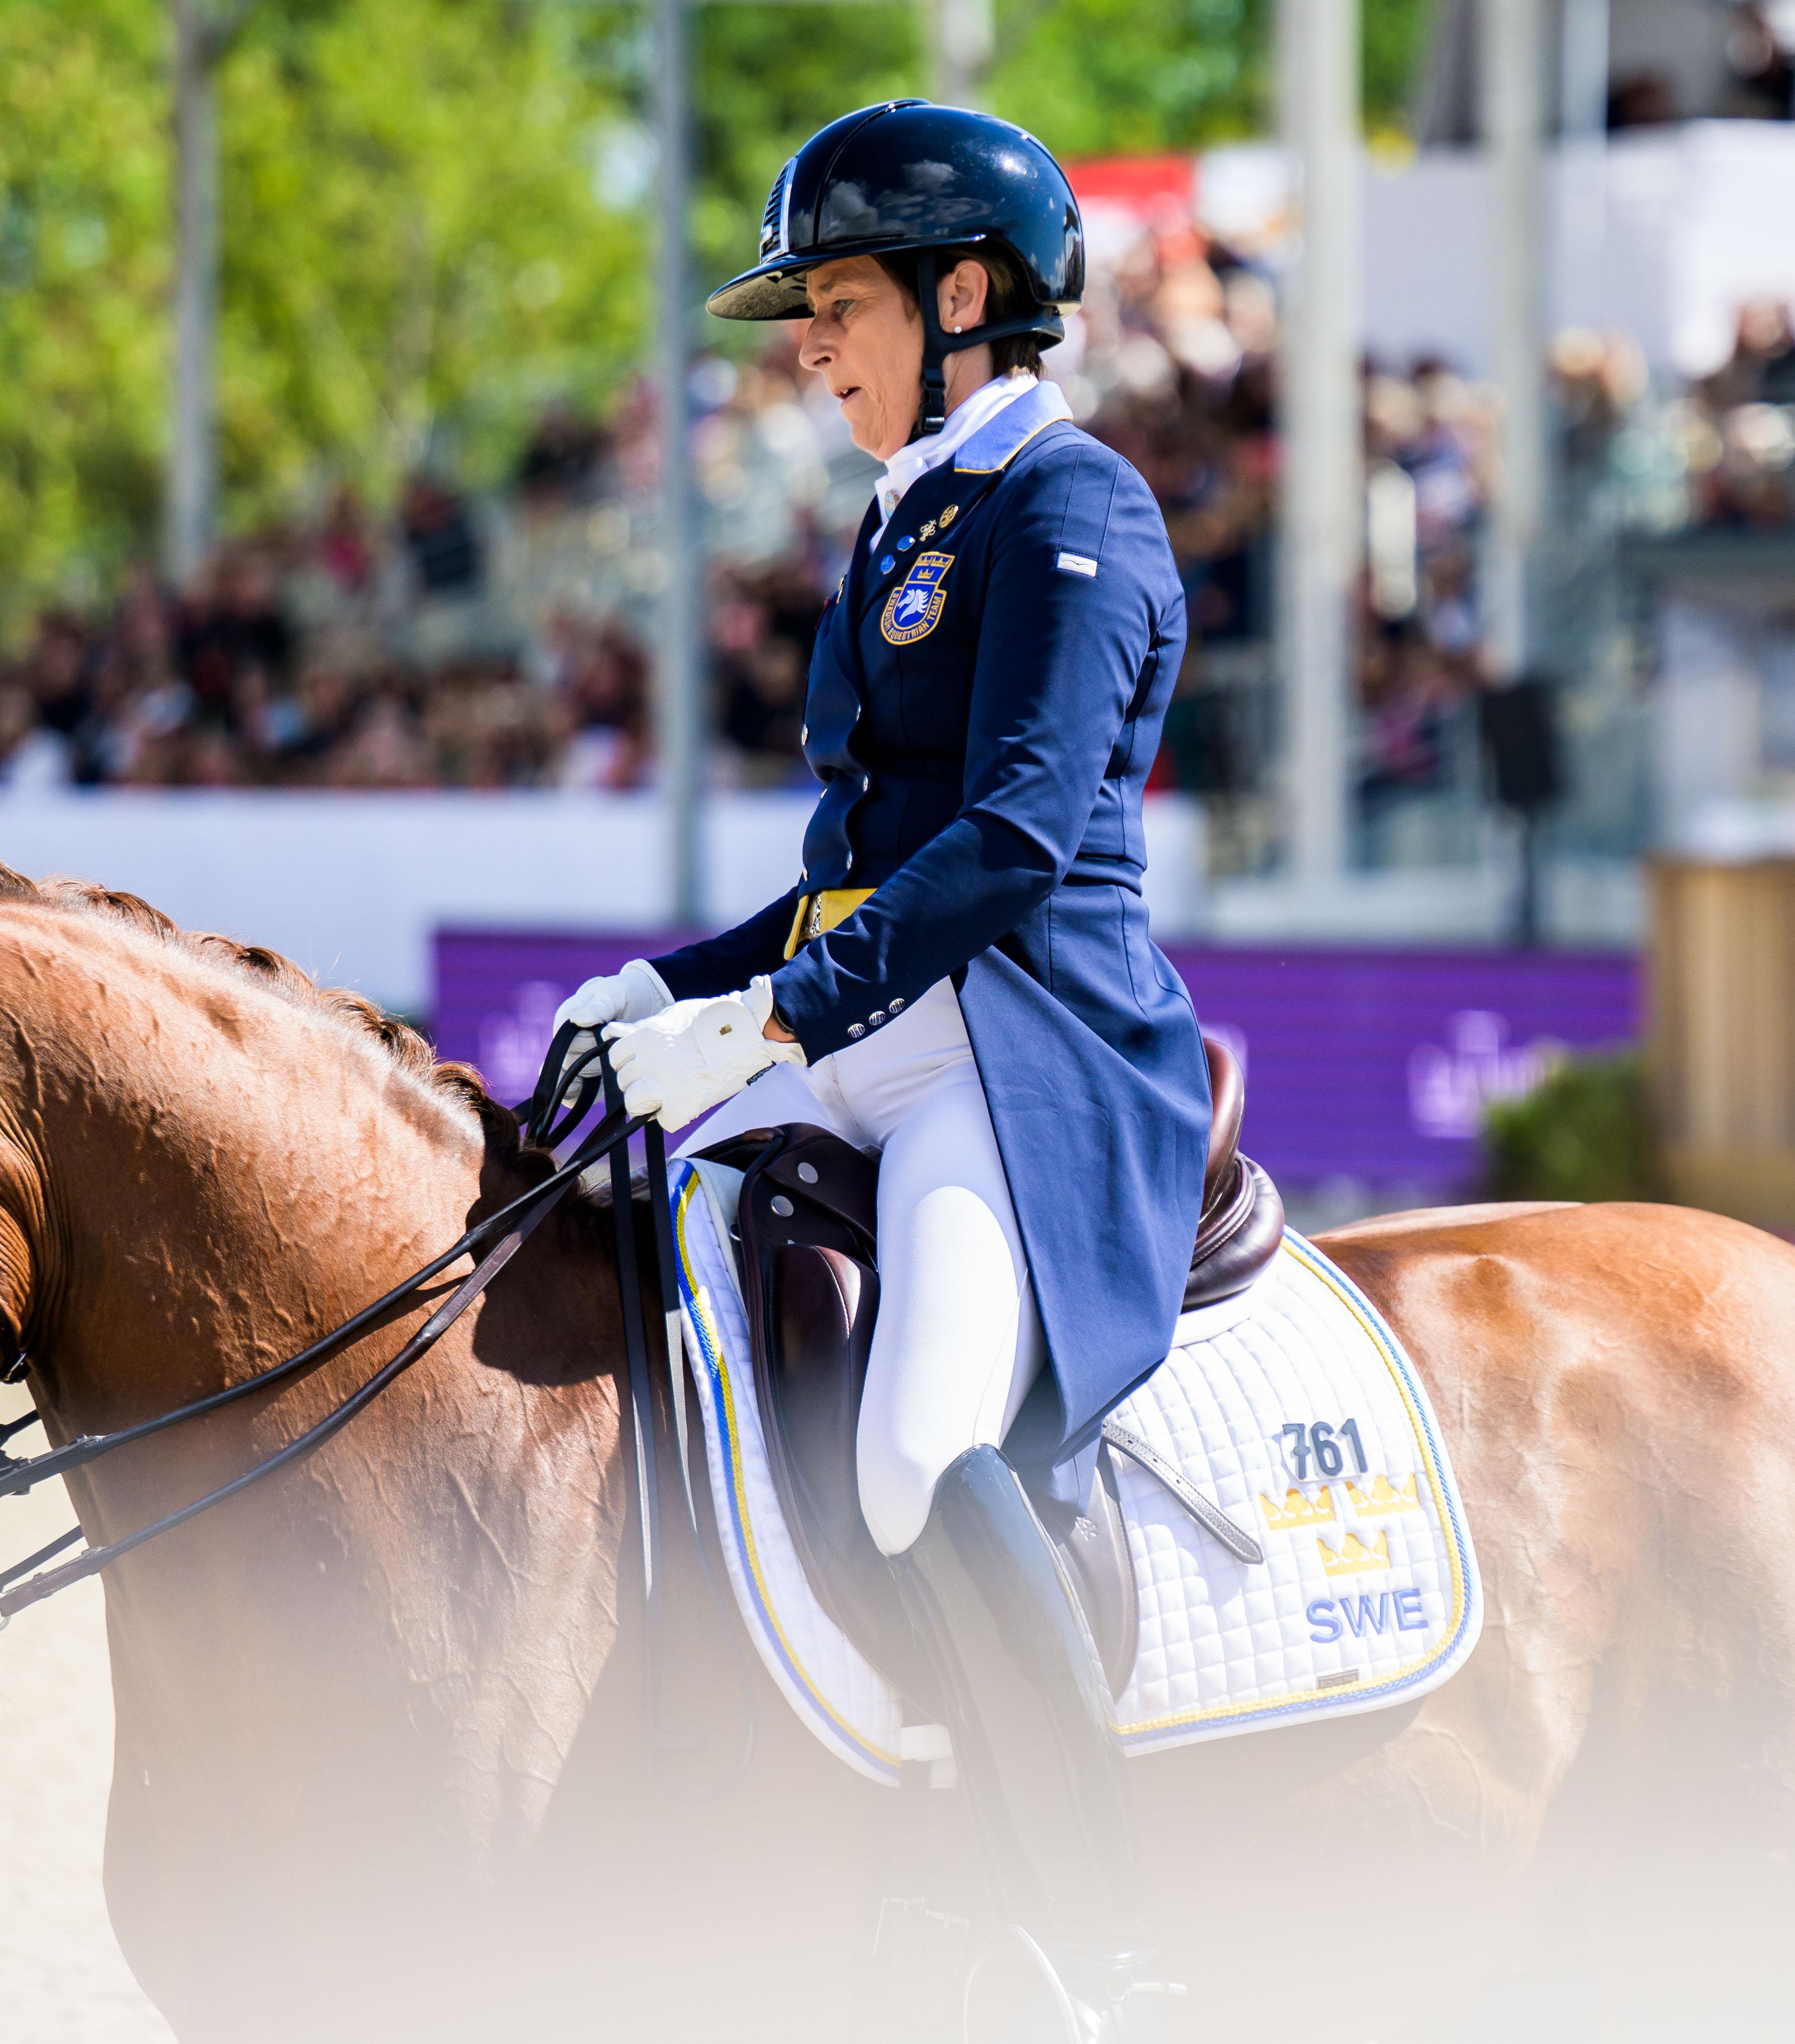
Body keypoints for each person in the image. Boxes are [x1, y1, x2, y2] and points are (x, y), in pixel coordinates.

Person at [549, 100, 1208, 2038]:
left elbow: (1007, 842)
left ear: (968, 294)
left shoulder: (1071, 504)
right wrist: (659, 985)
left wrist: (766, 1023)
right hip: (861, 1027)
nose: (810, 345)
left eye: (835, 303)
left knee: (918, 1457)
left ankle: (1109, 1940)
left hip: (1008, 1050)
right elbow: (851, 867)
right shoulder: (908, 507)